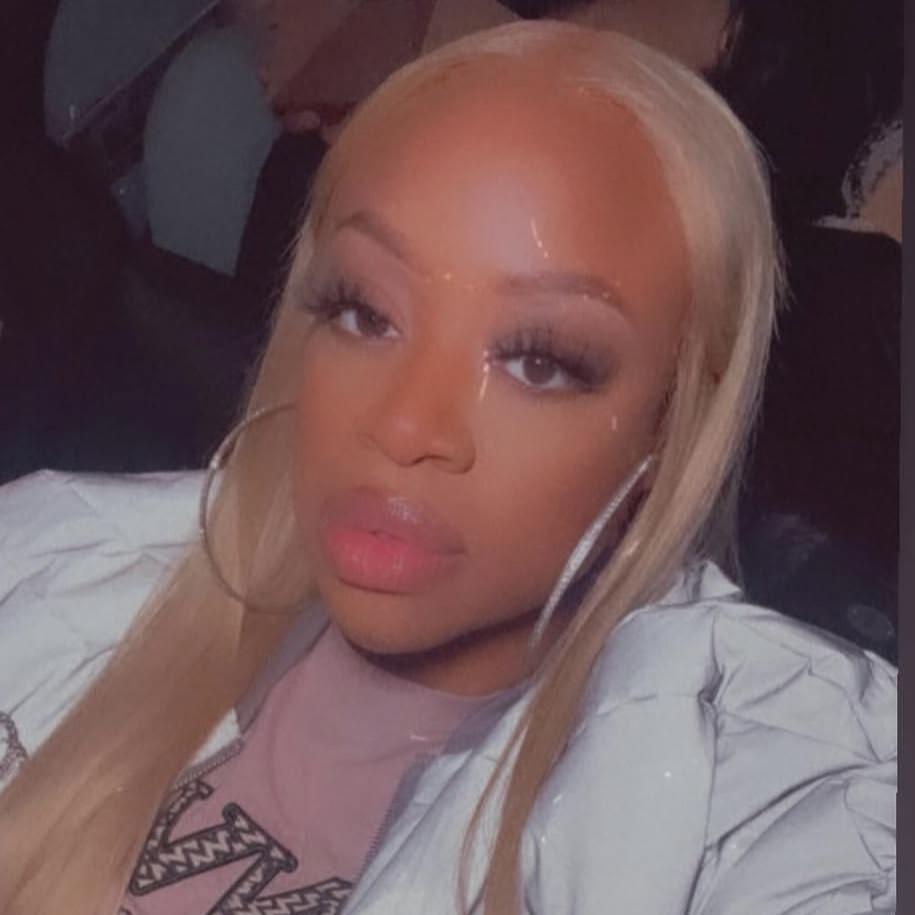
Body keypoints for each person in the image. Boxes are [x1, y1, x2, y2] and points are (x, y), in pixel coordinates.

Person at [0, 21, 896, 915]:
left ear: (674, 425)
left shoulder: (757, 797)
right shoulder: (53, 558)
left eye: (539, 361)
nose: (403, 425)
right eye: (364, 312)